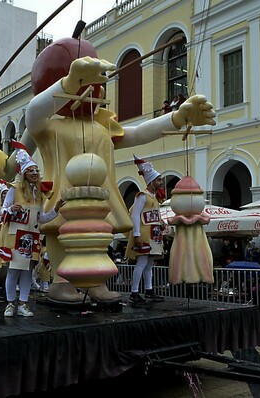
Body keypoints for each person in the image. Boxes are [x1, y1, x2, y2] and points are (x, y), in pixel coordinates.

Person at [24, 38, 216, 304]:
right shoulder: (48, 126)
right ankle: (61, 281)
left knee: (98, 236)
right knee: (63, 236)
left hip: (100, 196)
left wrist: (176, 118)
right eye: (88, 81)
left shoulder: (102, 125)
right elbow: (33, 111)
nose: (96, 89)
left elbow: (137, 133)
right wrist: (69, 82)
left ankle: (95, 282)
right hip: (64, 195)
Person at [0, 142, 64, 317]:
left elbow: (42, 219)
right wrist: (11, 210)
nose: (34, 173)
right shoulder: (14, 189)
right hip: (14, 235)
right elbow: (2, 211)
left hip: (32, 236)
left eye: (36, 171)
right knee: (13, 270)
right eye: (31, 170)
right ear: (24, 173)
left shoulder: (39, 195)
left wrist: (56, 209)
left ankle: (23, 304)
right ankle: (10, 304)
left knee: (27, 272)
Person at [125, 155, 165, 304]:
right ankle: (134, 292)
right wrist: (136, 234)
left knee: (149, 264)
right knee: (141, 263)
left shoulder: (154, 197)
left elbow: (153, 215)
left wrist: (161, 223)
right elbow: (135, 215)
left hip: (153, 234)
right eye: (158, 180)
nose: (160, 182)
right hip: (144, 234)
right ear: (151, 181)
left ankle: (149, 290)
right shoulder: (142, 196)